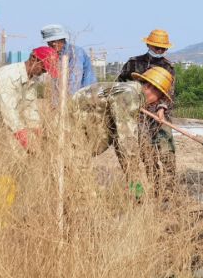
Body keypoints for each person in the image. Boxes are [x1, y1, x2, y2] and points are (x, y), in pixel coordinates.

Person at [72, 66, 175, 195]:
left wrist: (133, 183)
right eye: (159, 97)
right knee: (83, 192)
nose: (156, 102)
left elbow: (120, 143)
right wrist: (137, 189)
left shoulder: (128, 91)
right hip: (69, 134)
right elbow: (127, 144)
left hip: (76, 133)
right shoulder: (129, 96)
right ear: (150, 88)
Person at [0, 47, 59, 159]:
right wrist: (27, 144)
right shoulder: (9, 75)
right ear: (33, 58)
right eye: (43, 67)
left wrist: (41, 136)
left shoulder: (32, 81)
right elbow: (9, 112)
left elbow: (30, 109)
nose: (44, 72)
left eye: (46, 70)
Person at [117, 30, 177, 188]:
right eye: (157, 47)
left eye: (163, 48)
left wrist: (162, 108)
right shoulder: (133, 63)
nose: (160, 51)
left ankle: (169, 191)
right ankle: (155, 188)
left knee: (167, 153)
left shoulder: (168, 67)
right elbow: (120, 86)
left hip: (160, 115)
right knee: (147, 155)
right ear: (149, 44)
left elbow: (170, 93)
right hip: (138, 115)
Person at [40, 24, 96, 94]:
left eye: (56, 40)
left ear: (63, 39)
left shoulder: (75, 52)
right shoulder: (54, 55)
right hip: (63, 95)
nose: (53, 44)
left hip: (84, 94)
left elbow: (75, 80)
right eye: (50, 41)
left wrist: (68, 98)